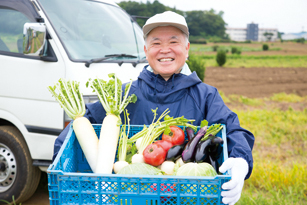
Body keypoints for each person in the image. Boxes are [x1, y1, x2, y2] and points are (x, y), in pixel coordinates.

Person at [53, 11, 254, 205]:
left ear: (187, 48)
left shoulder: (206, 96)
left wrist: (241, 161)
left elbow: (233, 130)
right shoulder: (123, 96)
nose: (164, 50)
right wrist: (60, 160)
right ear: (146, 50)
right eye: (156, 43)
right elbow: (80, 126)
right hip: (129, 197)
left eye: (173, 42)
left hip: (187, 198)